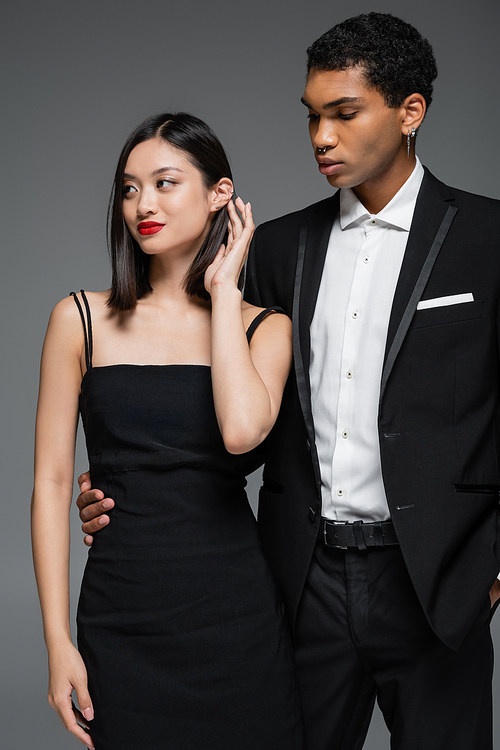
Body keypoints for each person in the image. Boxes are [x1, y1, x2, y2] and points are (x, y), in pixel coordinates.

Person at [75, 13, 500, 750]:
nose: (321, 139)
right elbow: (243, 426)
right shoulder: (274, 249)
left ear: (410, 113)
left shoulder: (488, 238)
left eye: (343, 114)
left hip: (438, 585)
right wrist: (123, 486)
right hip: (298, 584)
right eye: (311, 118)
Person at [31, 112, 304, 750]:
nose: (141, 204)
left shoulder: (266, 328)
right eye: (129, 188)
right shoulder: (80, 319)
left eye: (164, 183)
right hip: (122, 614)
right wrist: (57, 643)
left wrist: (225, 291)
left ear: (219, 195)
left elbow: (241, 434)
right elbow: (49, 482)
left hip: (235, 619)